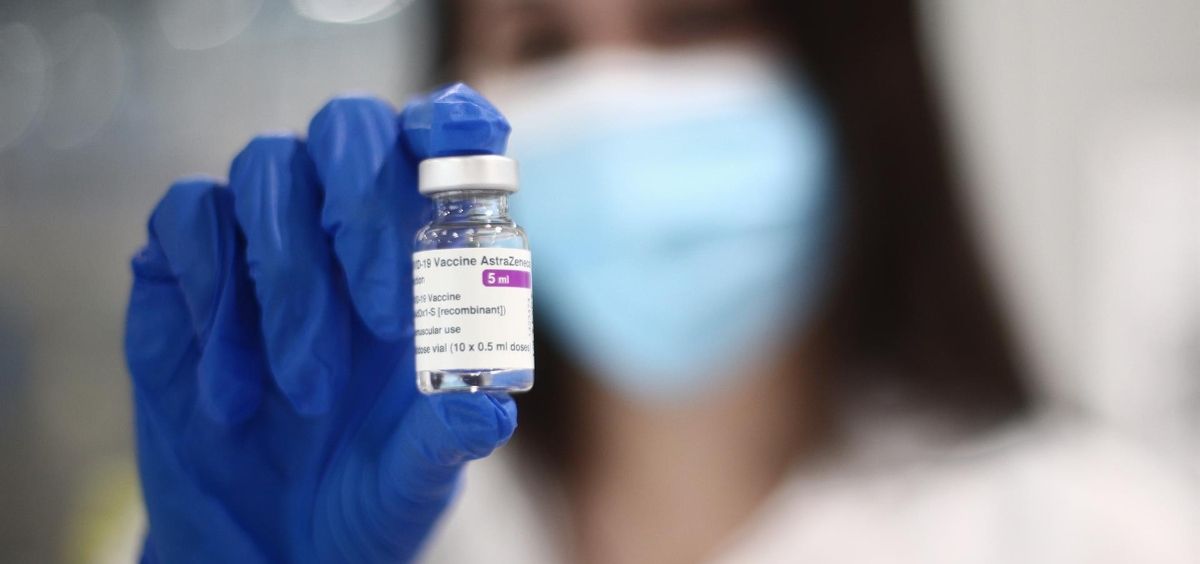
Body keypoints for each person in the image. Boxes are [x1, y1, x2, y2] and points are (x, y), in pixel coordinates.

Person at [124, 1, 1198, 563]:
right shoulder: (384, 519)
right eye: (543, 41)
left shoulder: (1087, 537)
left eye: (692, 20)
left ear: (857, 74)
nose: (618, 98)